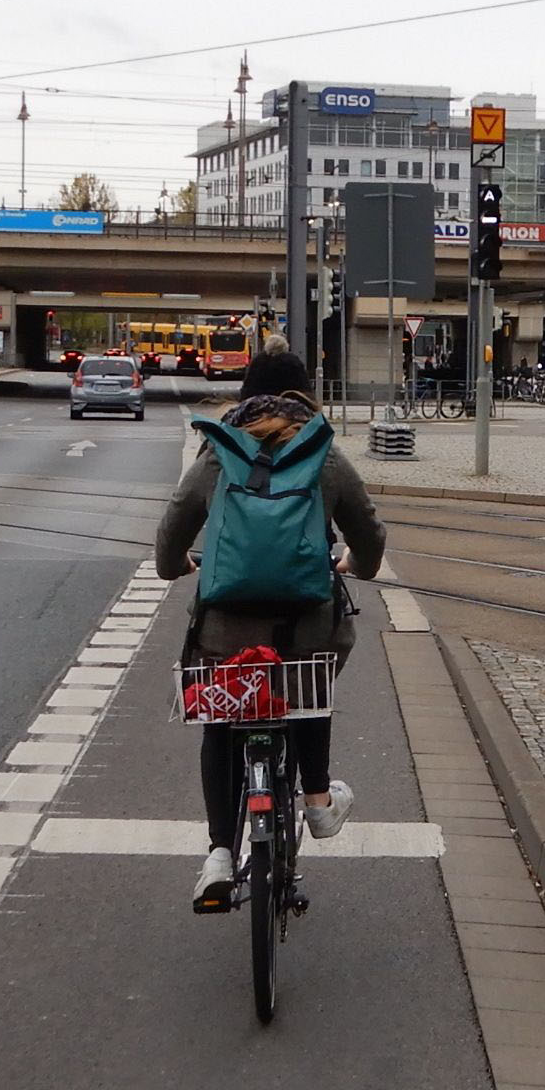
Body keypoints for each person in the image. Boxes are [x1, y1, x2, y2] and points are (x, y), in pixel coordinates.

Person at [153, 345, 385, 912]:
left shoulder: (219, 450)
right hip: (307, 626)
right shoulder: (322, 453)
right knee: (308, 688)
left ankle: (218, 854)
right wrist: (355, 565)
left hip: (224, 632)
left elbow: (173, 527)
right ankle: (318, 801)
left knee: (220, 723)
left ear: (246, 391)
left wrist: (177, 566)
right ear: (304, 393)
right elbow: (369, 536)